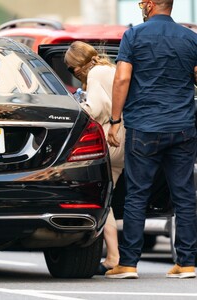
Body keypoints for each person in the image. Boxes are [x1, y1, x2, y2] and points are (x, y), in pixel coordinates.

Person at [106, 0, 197, 279]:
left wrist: (115, 120)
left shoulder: (134, 35)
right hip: (183, 127)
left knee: (137, 195)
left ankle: (129, 264)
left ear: (148, 4)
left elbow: (122, 79)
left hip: (144, 127)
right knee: (184, 196)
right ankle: (187, 263)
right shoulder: (191, 38)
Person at [64, 41, 126, 275]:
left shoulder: (97, 73)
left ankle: (113, 257)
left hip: (109, 138)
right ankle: (116, 256)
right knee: (107, 199)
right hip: (124, 138)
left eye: (71, 68)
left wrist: (77, 107)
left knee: (101, 199)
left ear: (79, 63)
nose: (73, 72)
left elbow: (97, 108)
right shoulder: (110, 69)